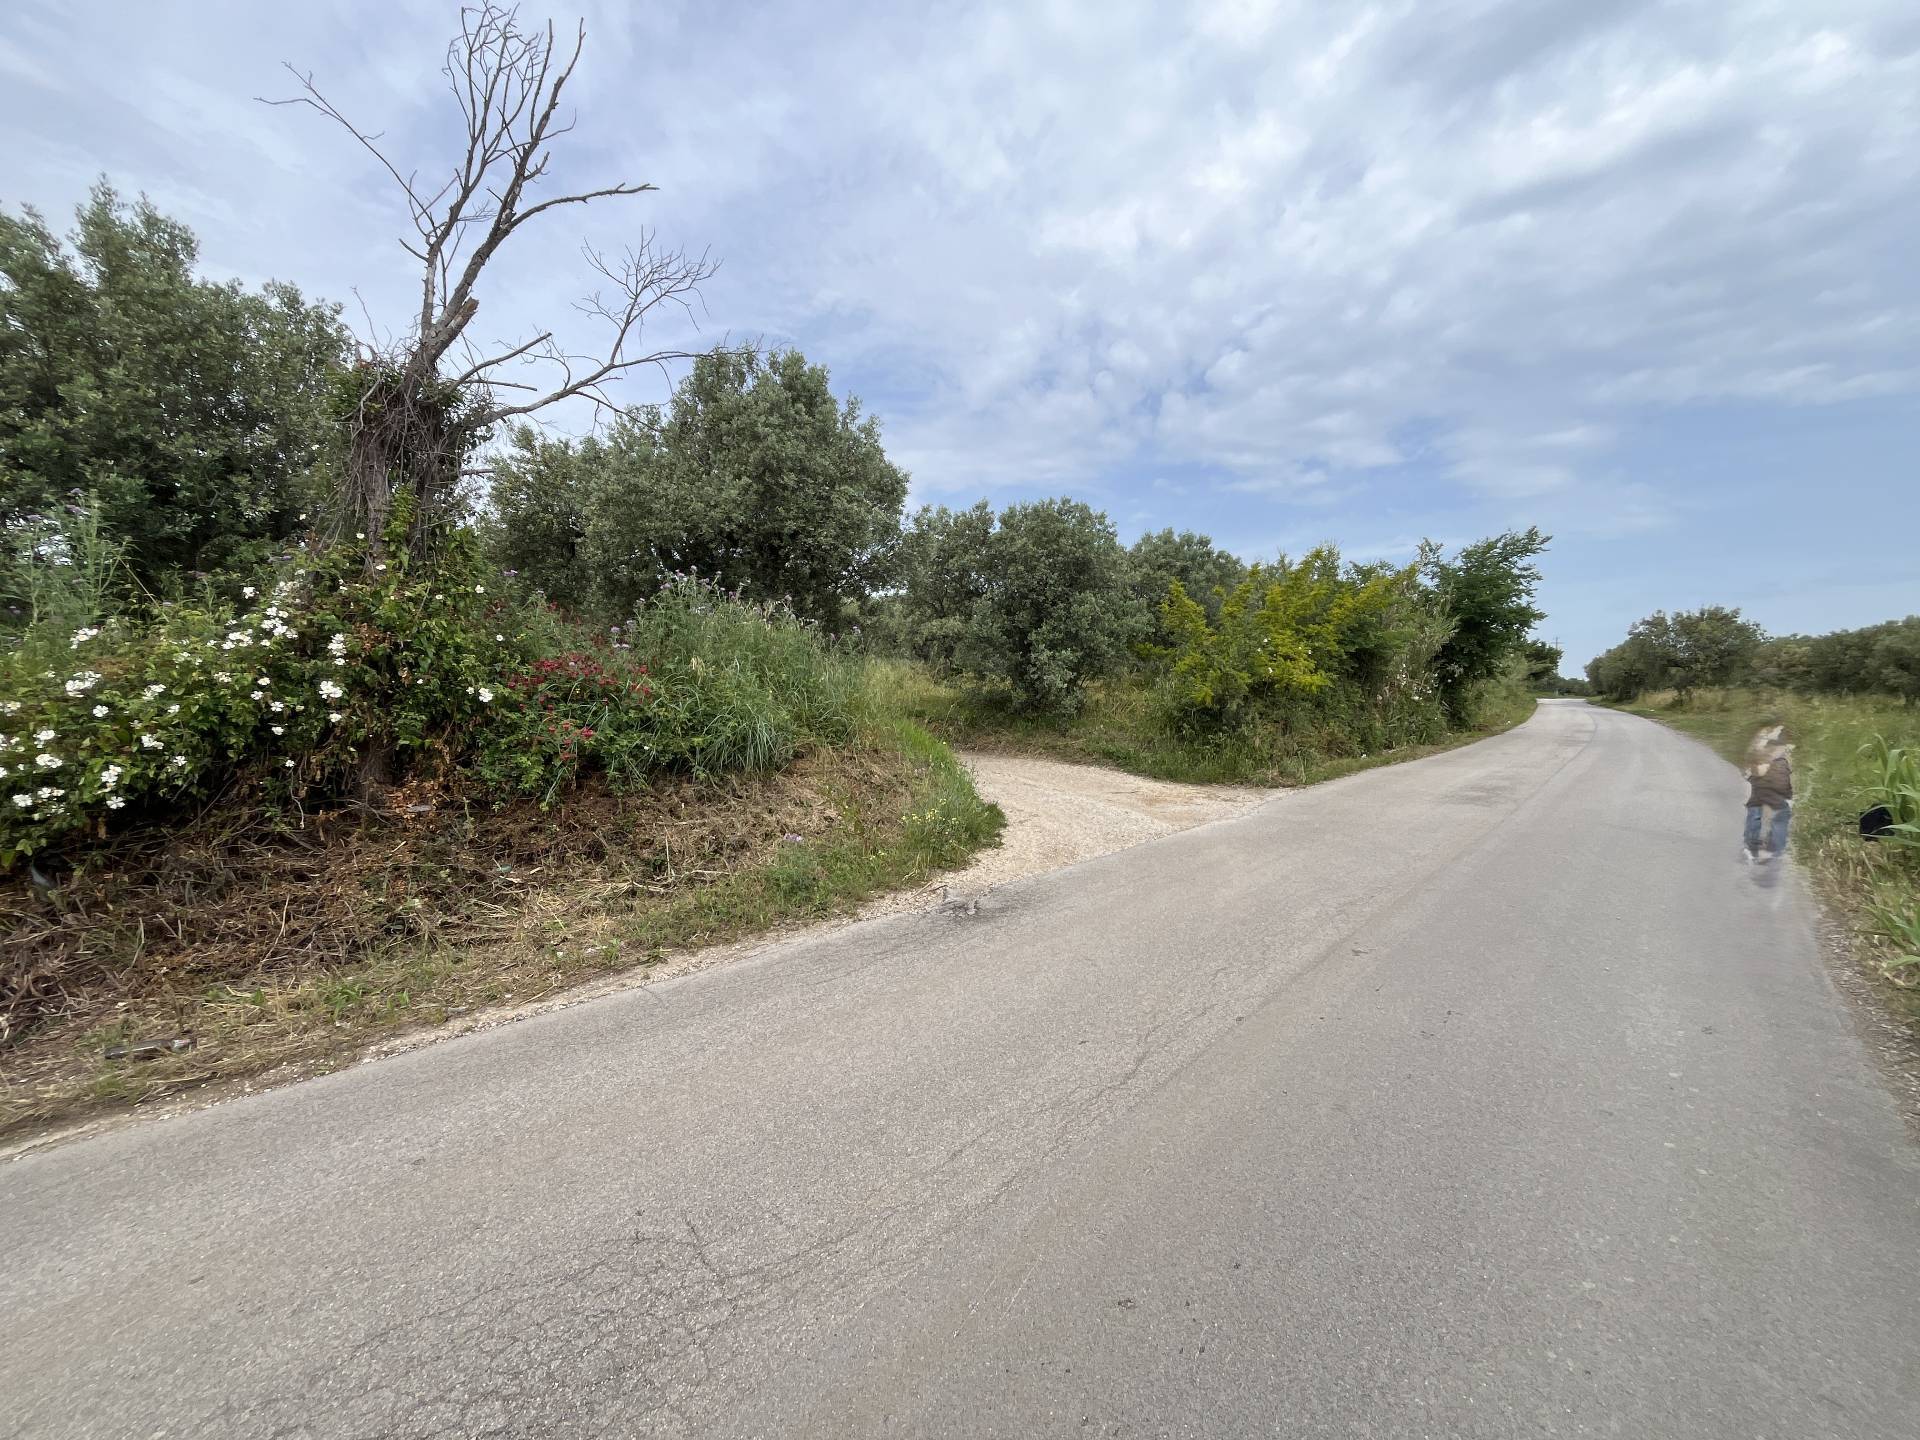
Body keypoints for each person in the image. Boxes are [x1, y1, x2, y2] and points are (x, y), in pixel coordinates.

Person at [1743, 729, 1792, 862]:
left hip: (1757, 794)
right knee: (1782, 815)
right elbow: (1782, 784)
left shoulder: (1759, 757)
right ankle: (1776, 849)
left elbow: (1750, 775)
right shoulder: (1780, 761)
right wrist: (1788, 795)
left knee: (1754, 814)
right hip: (1773, 795)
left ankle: (1750, 846)